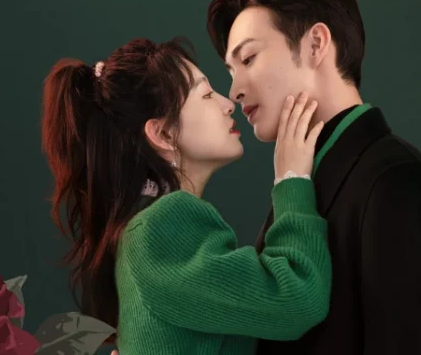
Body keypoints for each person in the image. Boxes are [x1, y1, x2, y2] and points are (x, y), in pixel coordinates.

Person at [199, 0, 421, 355]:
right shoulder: (300, 181)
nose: (235, 90)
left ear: (316, 44)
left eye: (249, 58)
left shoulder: (400, 182)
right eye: (231, 70)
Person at [41, 37, 332, 355]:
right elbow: (297, 300)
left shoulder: (142, 231)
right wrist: (291, 180)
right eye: (206, 94)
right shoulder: (160, 228)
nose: (228, 103)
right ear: (163, 133)